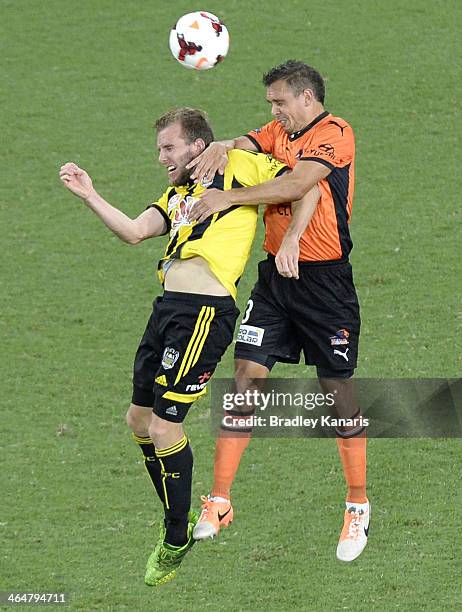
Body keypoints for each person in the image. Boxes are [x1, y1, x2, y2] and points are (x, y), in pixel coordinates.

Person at [59, 107, 320, 585]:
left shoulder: (239, 167)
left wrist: (291, 241)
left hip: (204, 313)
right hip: (167, 309)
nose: (162, 157)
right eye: (160, 149)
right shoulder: (177, 193)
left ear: (198, 146)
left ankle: (176, 532)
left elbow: (306, 184)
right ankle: (174, 522)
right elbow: (135, 232)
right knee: (137, 419)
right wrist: (89, 195)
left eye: (168, 147)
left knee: (162, 426)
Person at [187, 60, 369, 563]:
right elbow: (245, 141)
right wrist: (220, 146)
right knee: (245, 377)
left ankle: (357, 503)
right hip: (275, 283)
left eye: (280, 101)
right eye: (271, 103)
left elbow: (298, 185)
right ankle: (220, 500)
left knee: (338, 395)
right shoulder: (278, 130)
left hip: (326, 284)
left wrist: (227, 198)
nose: (274, 110)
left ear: (306, 97)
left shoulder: (335, 134)